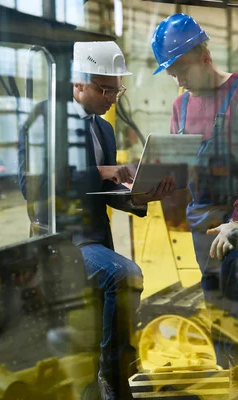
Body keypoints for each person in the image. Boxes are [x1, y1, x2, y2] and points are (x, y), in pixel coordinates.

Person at [18, 41, 173, 399]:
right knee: (125, 275)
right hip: (60, 239)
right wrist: (99, 170)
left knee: (109, 300)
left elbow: (102, 189)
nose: (112, 97)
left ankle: (110, 373)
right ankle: (113, 371)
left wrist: (138, 196)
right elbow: (31, 186)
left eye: (116, 88)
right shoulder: (43, 119)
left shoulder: (103, 129)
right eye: (105, 89)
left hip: (95, 238)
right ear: (78, 85)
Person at [150, 14, 238, 318]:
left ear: (204, 57)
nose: (178, 80)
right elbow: (179, 169)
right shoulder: (180, 106)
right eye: (171, 73)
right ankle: (226, 363)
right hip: (202, 219)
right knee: (215, 298)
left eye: (182, 70)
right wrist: (147, 184)